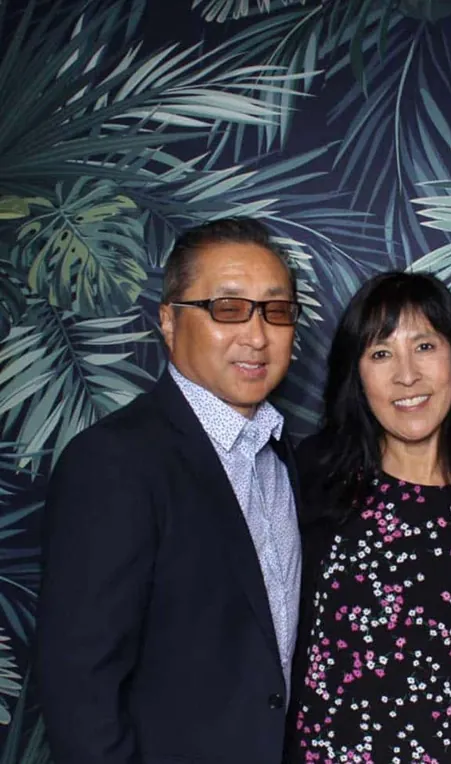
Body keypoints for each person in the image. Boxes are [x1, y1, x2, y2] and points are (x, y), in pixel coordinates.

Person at [37, 217, 303, 764]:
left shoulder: (282, 455)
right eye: (227, 308)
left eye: (275, 311)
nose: (256, 335)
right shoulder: (115, 462)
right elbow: (79, 689)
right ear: (168, 320)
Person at [288, 272, 451, 763]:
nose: (406, 375)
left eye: (424, 346)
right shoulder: (310, 478)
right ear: (355, 375)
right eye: (380, 354)